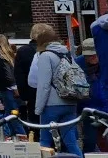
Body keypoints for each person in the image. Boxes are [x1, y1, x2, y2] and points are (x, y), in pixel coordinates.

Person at [28, 25, 82, 156]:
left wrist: (38, 109)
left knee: (45, 142)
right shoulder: (67, 53)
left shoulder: (45, 56)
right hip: (70, 102)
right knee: (71, 142)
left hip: (52, 105)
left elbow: (44, 85)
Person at [77, 38, 108, 152]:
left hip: (107, 108)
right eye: (89, 55)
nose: (92, 58)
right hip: (89, 109)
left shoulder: (106, 62)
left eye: (94, 55)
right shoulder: (77, 65)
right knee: (90, 141)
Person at [15, 25, 42, 123]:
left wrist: (24, 96)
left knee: (35, 123)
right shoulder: (51, 49)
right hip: (52, 95)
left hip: (32, 94)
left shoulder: (23, 51)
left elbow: (19, 75)